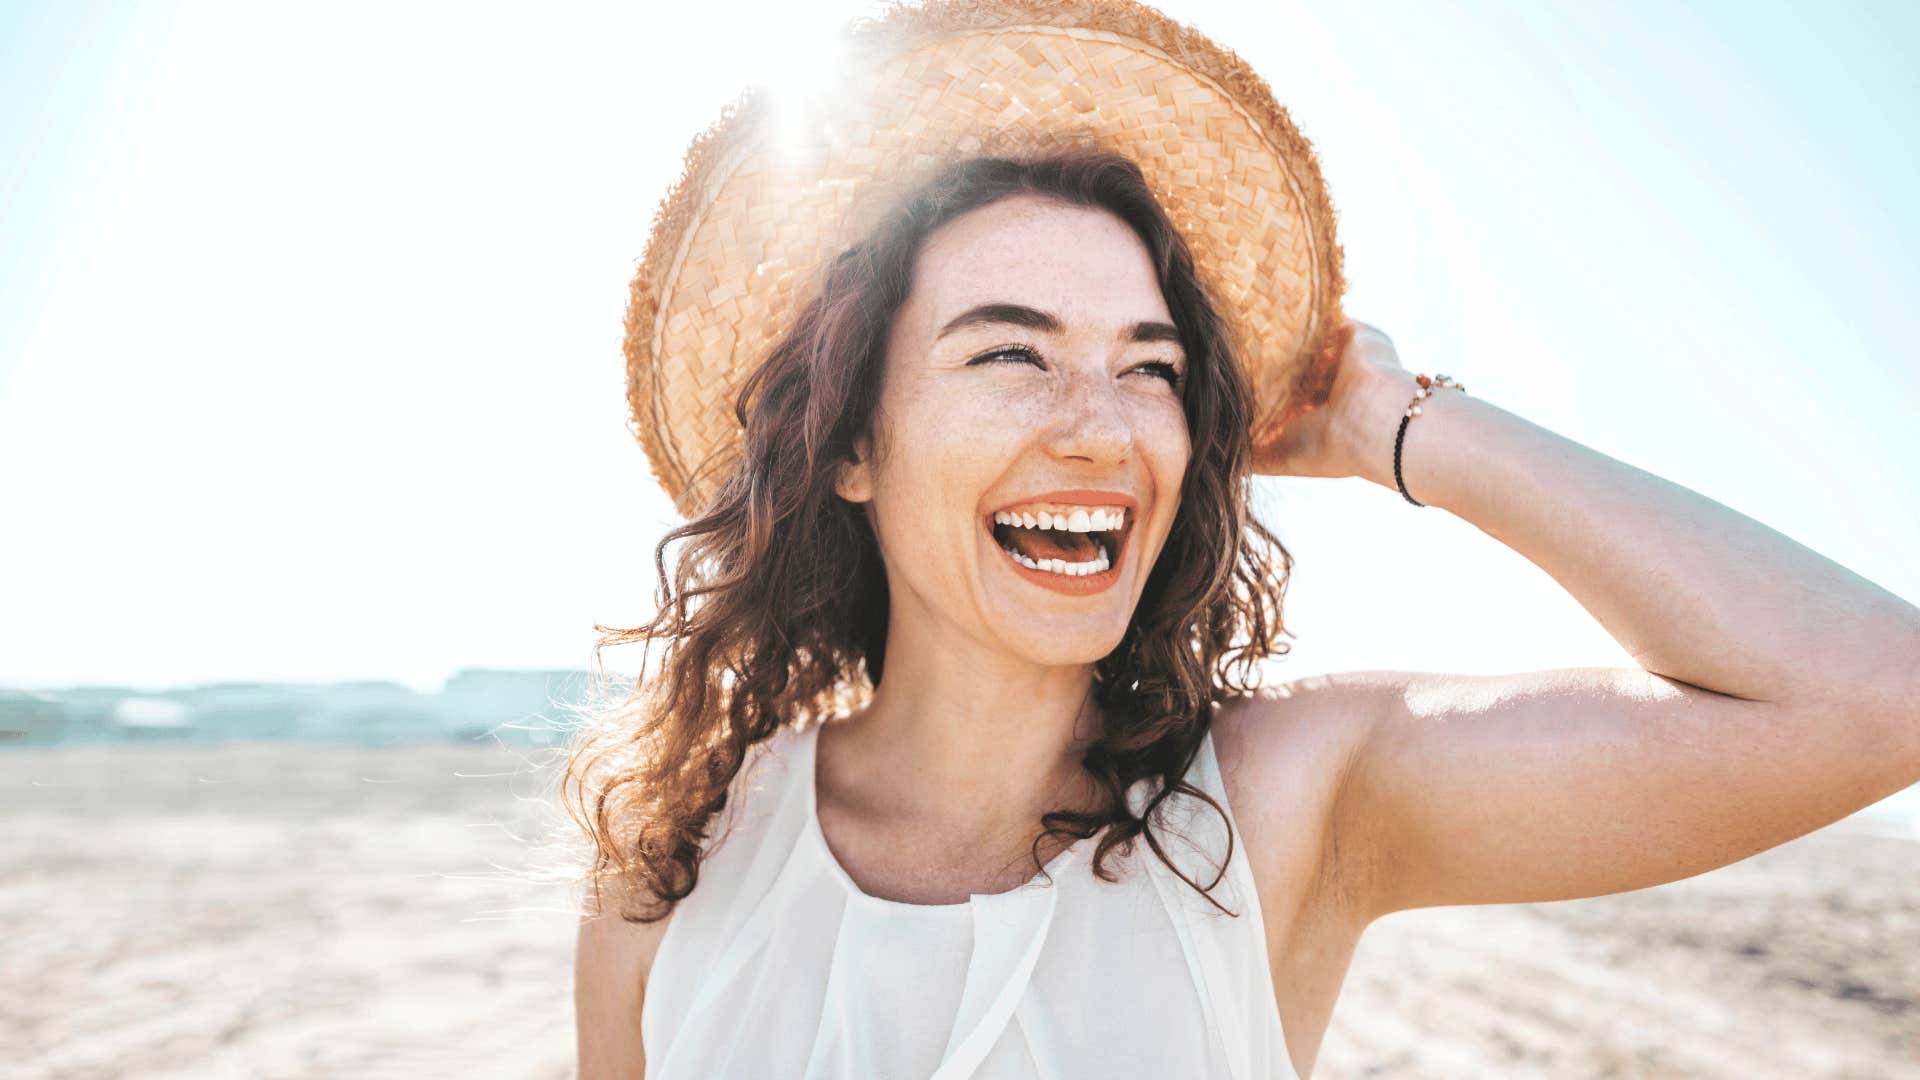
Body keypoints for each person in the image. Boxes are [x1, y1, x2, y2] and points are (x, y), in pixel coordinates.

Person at [570, 4, 1920, 1078]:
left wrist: (1402, 429)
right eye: (1009, 354)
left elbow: (1875, 694)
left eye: (1150, 369)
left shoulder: (1285, 802)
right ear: (852, 446)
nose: (1102, 432)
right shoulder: (678, 874)